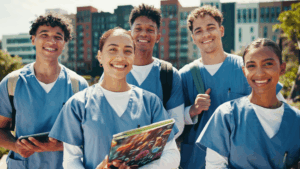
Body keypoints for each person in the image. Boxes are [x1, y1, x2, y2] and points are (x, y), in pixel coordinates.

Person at [49, 27, 180, 169]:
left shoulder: (151, 103)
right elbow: (71, 161)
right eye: (113, 49)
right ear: (100, 56)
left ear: (133, 57)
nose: (120, 57)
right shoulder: (78, 104)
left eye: (128, 51)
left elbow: (172, 154)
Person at [179, 6, 284, 169]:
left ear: (221, 30)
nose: (205, 34)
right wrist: (191, 110)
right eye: (198, 31)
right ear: (193, 37)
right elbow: (172, 119)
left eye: (210, 28)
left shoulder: (246, 68)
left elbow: (277, 108)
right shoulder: (185, 75)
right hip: (196, 161)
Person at [0, 13, 89, 169]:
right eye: (44, 35)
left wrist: (58, 146)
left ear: (64, 43)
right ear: (33, 39)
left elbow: (88, 135)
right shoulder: (12, 83)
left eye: (58, 37)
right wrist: (15, 146)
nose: (51, 41)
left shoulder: (78, 85)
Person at [197, 38, 300, 169]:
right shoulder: (227, 115)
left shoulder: (296, 120)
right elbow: (214, 166)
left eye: (268, 64)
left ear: (282, 68)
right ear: (244, 71)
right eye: (251, 65)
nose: (259, 73)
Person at [127, 4, 184, 138]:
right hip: (121, 154)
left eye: (150, 30)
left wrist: (148, 147)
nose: (144, 34)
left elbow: (177, 123)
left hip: (158, 155)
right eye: (138, 29)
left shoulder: (169, 74)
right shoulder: (115, 71)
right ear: (130, 34)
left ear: (158, 37)